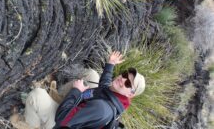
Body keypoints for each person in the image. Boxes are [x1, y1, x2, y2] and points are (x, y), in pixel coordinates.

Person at [16, 51, 146, 129]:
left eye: (128, 83)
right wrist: (110, 63)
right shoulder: (115, 96)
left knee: (37, 95)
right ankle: (55, 96)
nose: (122, 80)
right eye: (124, 75)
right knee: (92, 75)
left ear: (130, 94)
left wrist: (76, 91)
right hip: (75, 110)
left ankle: (30, 123)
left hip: (60, 123)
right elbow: (105, 85)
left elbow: (62, 120)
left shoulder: (101, 109)